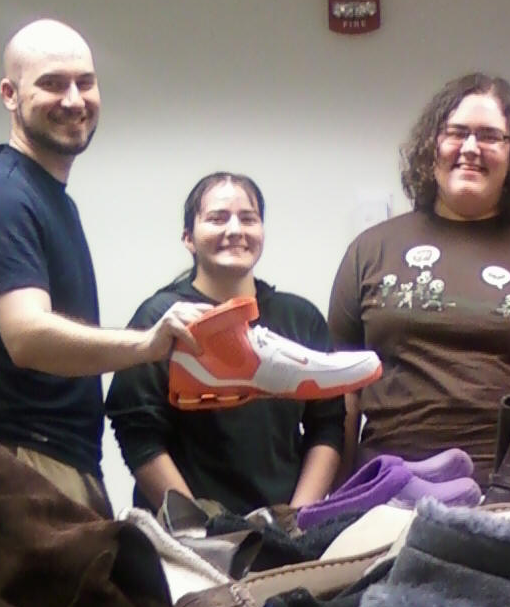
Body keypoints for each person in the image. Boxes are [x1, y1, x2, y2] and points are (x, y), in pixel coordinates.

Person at [0, 18, 204, 515]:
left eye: (85, 82)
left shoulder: (48, 198)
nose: (74, 99)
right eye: (52, 83)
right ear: (10, 94)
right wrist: (146, 344)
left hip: (48, 463)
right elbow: (27, 335)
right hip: (10, 467)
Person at [328, 73, 510, 487]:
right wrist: (335, 498)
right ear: (432, 146)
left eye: (490, 136)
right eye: (456, 133)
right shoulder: (370, 250)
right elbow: (343, 394)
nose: (471, 148)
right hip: (391, 485)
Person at [107, 173, 345, 515]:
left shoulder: (300, 318)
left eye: (248, 219)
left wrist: (298, 520)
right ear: (188, 238)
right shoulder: (161, 319)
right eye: (217, 218)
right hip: (188, 536)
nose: (235, 230)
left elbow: (327, 425)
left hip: (283, 529)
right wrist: (196, 527)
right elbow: (137, 433)